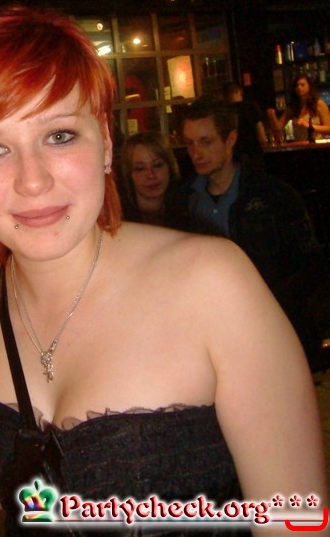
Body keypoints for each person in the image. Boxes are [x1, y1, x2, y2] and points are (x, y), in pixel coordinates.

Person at [0, 6, 328, 537]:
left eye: (59, 136)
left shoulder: (211, 285)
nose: (32, 181)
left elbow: (296, 525)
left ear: (105, 141)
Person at [181, 96, 328, 369]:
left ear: (230, 139)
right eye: (189, 143)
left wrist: (265, 300)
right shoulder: (185, 201)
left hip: (275, 333)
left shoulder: (273, 196)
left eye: (205, 142)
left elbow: (312, 266)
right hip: (214, 337)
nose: (196, 152)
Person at [119, 130, 192, 230]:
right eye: (140, 168)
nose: (151, 175)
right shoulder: (117, 219)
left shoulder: (190, 209)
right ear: (129, 174)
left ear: (170, 166)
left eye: (157, 165)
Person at [267, 74, 330, 141]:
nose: (299, 88)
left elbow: (328, 128)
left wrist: (310, 126)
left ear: (309, 86)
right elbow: (278, 129)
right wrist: (272, 116)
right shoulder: (293, 106)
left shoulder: (318, 104)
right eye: (297, 86)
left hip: (317, 143)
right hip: (299, 144)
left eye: (302, 85)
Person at [222, 81, 266, 168]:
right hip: (254, 155)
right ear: (240, 92)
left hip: (234, 158)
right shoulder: (251, 107)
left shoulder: (224, 112)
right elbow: (262, 137)